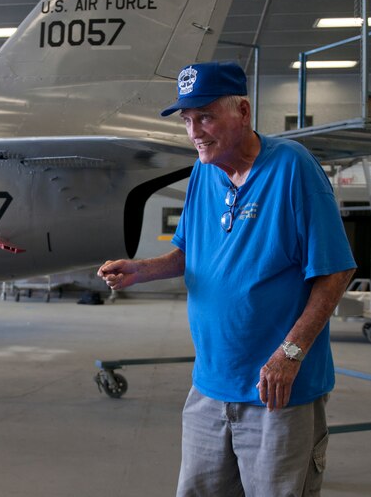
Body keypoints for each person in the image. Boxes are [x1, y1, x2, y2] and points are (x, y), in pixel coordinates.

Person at [98, 61, 356, 497]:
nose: (196, 131)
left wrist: (289, 354)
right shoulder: (204, 170)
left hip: (278, 393)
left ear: (244, 112)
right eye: (188, 120)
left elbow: (337, 271)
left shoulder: (292, 169)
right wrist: (141, 269)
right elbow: (189, 253)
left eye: (206, 116)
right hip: (210, 387)